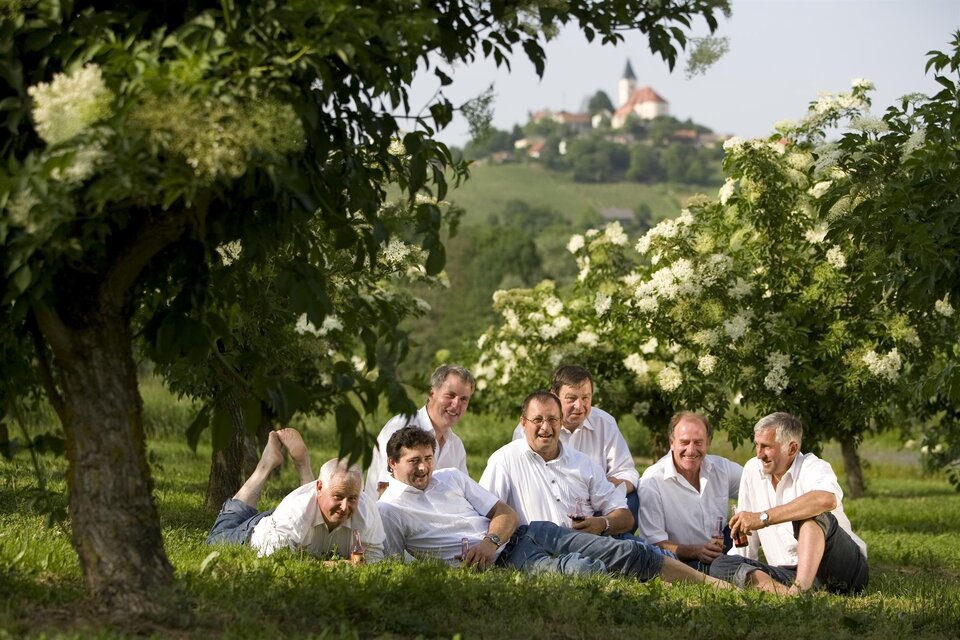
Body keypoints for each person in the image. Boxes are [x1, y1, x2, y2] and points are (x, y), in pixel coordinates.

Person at [377, 425, 733, 589]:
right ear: (393, 464)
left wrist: (490, 542)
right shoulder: (390, 509)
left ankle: (713, 587)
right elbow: (389, 565)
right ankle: (658, 586)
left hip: (531, 532)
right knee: (583, 572)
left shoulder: (451, 477)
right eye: (413, 461)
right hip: (507, 562)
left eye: (428, 458)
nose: (424, 468)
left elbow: (506, 514)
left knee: (620, 551)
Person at [709, 412, 868, 595]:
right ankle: (790, 594)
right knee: (721, 564)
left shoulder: (813, 466)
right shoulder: (752, 470)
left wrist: (764, 517)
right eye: (757, 445)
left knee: (812, 517)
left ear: (792, 449)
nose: (759, 454)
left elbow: (826, 499)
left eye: (766, 447)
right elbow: (747, 534)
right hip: (788, 573)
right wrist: (738, 565)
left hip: (843, 570)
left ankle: (800, 592)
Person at [207, 428, 385, 562]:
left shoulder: (366, 509)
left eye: (352, 498)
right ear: (320, 487)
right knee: (216, 538)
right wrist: (329, 565)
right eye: (338, 496)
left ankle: (302, 465)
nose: (346, 506)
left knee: (307, 510)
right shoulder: (295, 510)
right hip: (262, 529)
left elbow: (375, 558)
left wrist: (344, 565)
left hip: (300, 522)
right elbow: (276, 557)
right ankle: (266, 464)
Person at [484, 390, 635, 538]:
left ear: (561, 421)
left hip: (588, 542)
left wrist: (602, 524)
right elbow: (484, 511)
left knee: (638, 548)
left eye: (552, 419)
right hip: (536, 548)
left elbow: (625, 517)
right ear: (523, 423)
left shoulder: (584, 463)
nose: (545, 427)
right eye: (537, 420)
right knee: (634, 554)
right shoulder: (504, 460)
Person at [510, 366, 640, 527]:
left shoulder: (605, 423)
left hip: (598, 504)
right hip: (552, 508)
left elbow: (627, 470)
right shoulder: (532, 429)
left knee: (631, 499)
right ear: (554, 396)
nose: (579, 406)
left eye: (586, 398)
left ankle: (613, 539)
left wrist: (615, 486)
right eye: (571, 398)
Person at [638, 411, 743, 569]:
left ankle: (785, 563)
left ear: (708, 442)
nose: (691, 450)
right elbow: (654, 543)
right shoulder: (652, 481)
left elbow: (757, 482)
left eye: (698, 443)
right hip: (684, 560)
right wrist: (695, 551)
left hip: (721, 547)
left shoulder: (721, 468)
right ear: (672, 443)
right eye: (684, 442)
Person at [364, 364, 474, 498]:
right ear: (431, 393)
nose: (456, 404)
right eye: (450, 395)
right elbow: (384, 488)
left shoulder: (456, 446)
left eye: (464, 399)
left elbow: (465, 494)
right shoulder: (401, 426)